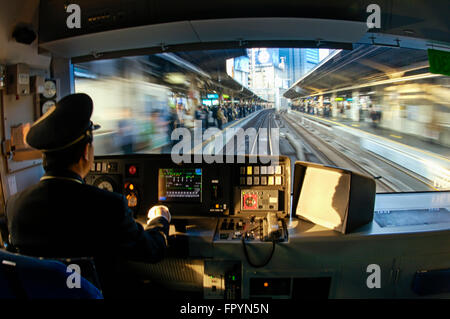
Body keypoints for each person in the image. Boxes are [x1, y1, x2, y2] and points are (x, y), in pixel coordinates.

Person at [5, 93, 171, 298]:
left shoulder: (14, 205)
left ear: (45, 157)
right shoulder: (107, 205)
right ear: (86, 152)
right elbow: (152, 251)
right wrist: (159, 219)